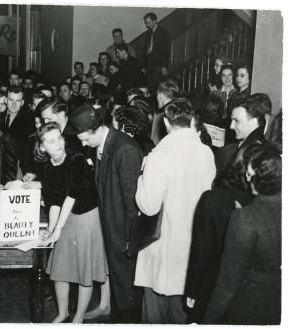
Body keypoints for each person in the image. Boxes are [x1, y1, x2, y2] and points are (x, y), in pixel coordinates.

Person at [134, 98, 216, 324]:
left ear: (167, 124)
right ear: (191, 121)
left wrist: (141, 179)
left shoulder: (159, 156)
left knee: (154, 312)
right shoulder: (206, 153)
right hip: (192, 243)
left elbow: (149, 206)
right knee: (182, 312)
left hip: (162, 243)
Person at [66, 104, 143, 323]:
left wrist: (130, 240)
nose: (82, 144)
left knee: (128, 291)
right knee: (119, 289)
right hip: (111, 228)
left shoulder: (124, 149)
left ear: (98, 129)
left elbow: (132, 202)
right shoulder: (104, 144)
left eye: (85, 139)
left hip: (123, 233)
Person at [35, 122, 108, 323]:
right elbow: (53, 203)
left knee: (84, 271)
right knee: (59, 269)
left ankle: (78, 319)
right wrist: (50, 230)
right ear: (42, 147)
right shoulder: (48, 168)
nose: (57, 143)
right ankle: (62, 313)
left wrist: (58, 227)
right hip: (65, 216)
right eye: (51, 141)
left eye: (59, 138)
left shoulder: (76, 159)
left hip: (85, 216)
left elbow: (71, 196)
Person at [203, 143, 281, 324]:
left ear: (258, 176)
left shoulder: (244, 218)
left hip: (248, 308)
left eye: (248, 174)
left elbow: (227, 285)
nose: (246, 178)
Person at [185, 142, 257, 323]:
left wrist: (192, 290)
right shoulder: (263, 206)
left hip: (211, 287)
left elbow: (201, 252)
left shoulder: (212, 200)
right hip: (249, 295)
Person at [215, 97, 266, 176]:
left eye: (236, 121)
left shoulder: (254, 154)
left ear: (253, 122)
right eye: (232, 120)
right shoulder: (260, 146)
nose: (231, 126)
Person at [142, 12, 170, 93]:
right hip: (149, 63)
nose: (146, 25)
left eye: (148, 23)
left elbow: (166, 50)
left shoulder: (163, 33)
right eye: (146, 23)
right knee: (149, 84)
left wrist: (164, 66)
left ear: (155, 21)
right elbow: (144, 51)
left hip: (159, 64)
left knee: (154, 85)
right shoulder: (148, 34)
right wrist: (144, 66)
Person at [152, 79, 180, 144]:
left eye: (157, 94)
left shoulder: (161, 116)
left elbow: (155, 143)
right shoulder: (183, 111)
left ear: (161, 95)